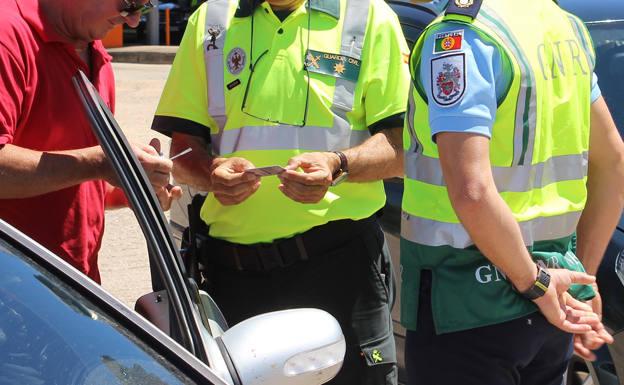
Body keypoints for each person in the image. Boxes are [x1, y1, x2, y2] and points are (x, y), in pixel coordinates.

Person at [151, 0, 410, 383]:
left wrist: (338, 164)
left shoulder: (368, 16)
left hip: (341, 270)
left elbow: (403, 147)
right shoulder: (212, 19)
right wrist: (210, 173)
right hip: (235, 278)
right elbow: (184, 150)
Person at [400, 0, 624, 384]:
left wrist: (534, 283)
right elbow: (614, 162)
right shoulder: (563, 25)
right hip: (549, 305)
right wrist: (580, 278)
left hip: (466, 304)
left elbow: (472, 191)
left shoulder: (462, 36)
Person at [0, 0, 181, 283]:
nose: (134, 21)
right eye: (129, 4)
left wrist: (132, 186)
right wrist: (101, 162)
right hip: (16, 295)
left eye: (145, 8)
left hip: (74, 290)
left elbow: (77, 179)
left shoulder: (94, 51)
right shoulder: (7, 35)